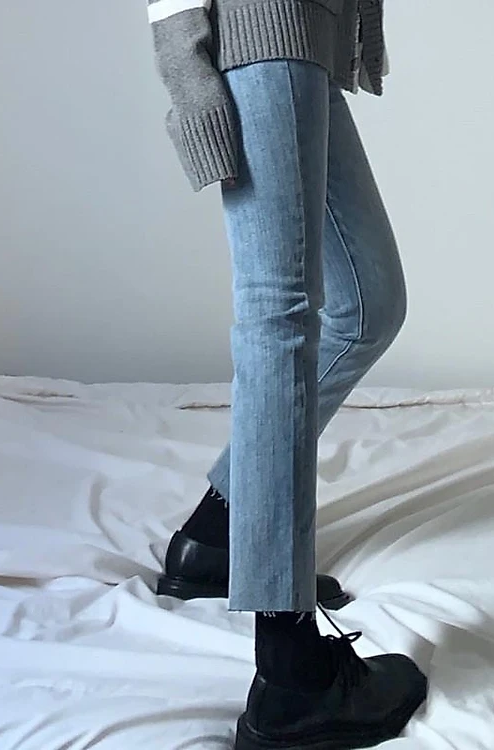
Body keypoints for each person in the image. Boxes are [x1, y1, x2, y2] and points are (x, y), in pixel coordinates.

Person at [147, 0, 427, 746]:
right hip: (261, 27)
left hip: (307, 35)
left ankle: (217, 535)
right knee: (279, 318)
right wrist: (188, 69)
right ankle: (291, 675)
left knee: (369, 305)